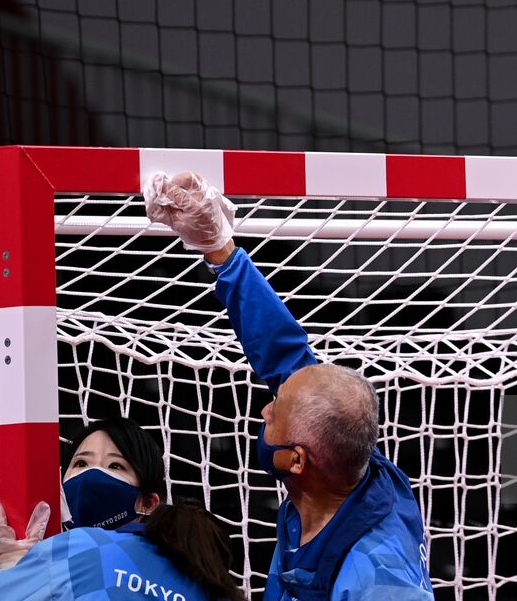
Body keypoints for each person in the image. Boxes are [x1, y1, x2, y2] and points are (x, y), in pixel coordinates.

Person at [144, 171, 433, 601]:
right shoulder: (344, 461)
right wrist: (218, 248)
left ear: (297, 462)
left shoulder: (377, 579)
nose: (264, 411)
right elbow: (288, 361)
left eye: (274, 410)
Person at [0, 417, 244, 600]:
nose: (92, 475)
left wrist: (0, 573)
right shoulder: (206, 577)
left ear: (148, 503)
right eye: (80, 464)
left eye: (115, 465)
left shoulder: (79, 549)